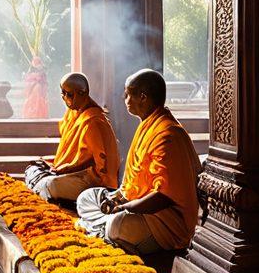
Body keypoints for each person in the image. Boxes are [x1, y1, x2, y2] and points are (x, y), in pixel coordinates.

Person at [75, 69, 200, 255]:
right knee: (86, 198)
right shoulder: (148, 125)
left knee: (117, 224)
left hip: (165, 221)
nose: (124, 99)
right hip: (137, 207)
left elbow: (163, 197)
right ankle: (102, 227)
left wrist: (123, 208)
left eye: (128, 94)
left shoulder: (168, 135)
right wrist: (116, 197)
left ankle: (103, 228)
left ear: (142, 97)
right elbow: (134, 182)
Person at [23, 73, 119, 202]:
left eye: (68, 94)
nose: (64, 97)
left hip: (93, 179)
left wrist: (68, 168)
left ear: (82, 93)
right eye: (62, 93)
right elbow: (69, 152)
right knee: (33, 169)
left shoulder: (94, 121)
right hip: (70, 171)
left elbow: (100, 164)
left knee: (51, 184)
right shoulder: (73, 113)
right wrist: (57, 165)